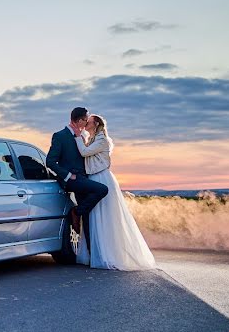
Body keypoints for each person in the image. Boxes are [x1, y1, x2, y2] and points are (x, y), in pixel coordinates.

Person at [74, 114, 156, 270]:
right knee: (94, 217)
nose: (85, 124)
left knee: (105, 217)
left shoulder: (102, 140)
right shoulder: (92, 139)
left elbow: (84, 153)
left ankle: (107, 254)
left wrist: (78, 136)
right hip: (92, 178)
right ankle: (95, 252)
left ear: (96, 123)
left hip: (101, 178)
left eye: (88, 122)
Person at [46, 107, 109, 264]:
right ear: (79, 120)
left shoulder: (83, 136)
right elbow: (50, 161)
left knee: (88, 217)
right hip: (72, 180)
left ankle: (91, 256)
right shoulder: (60, 136)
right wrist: (67, 175)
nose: (87, 122)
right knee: (102, 189)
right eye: (85, 119)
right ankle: (76, 211)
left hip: (84, 180)